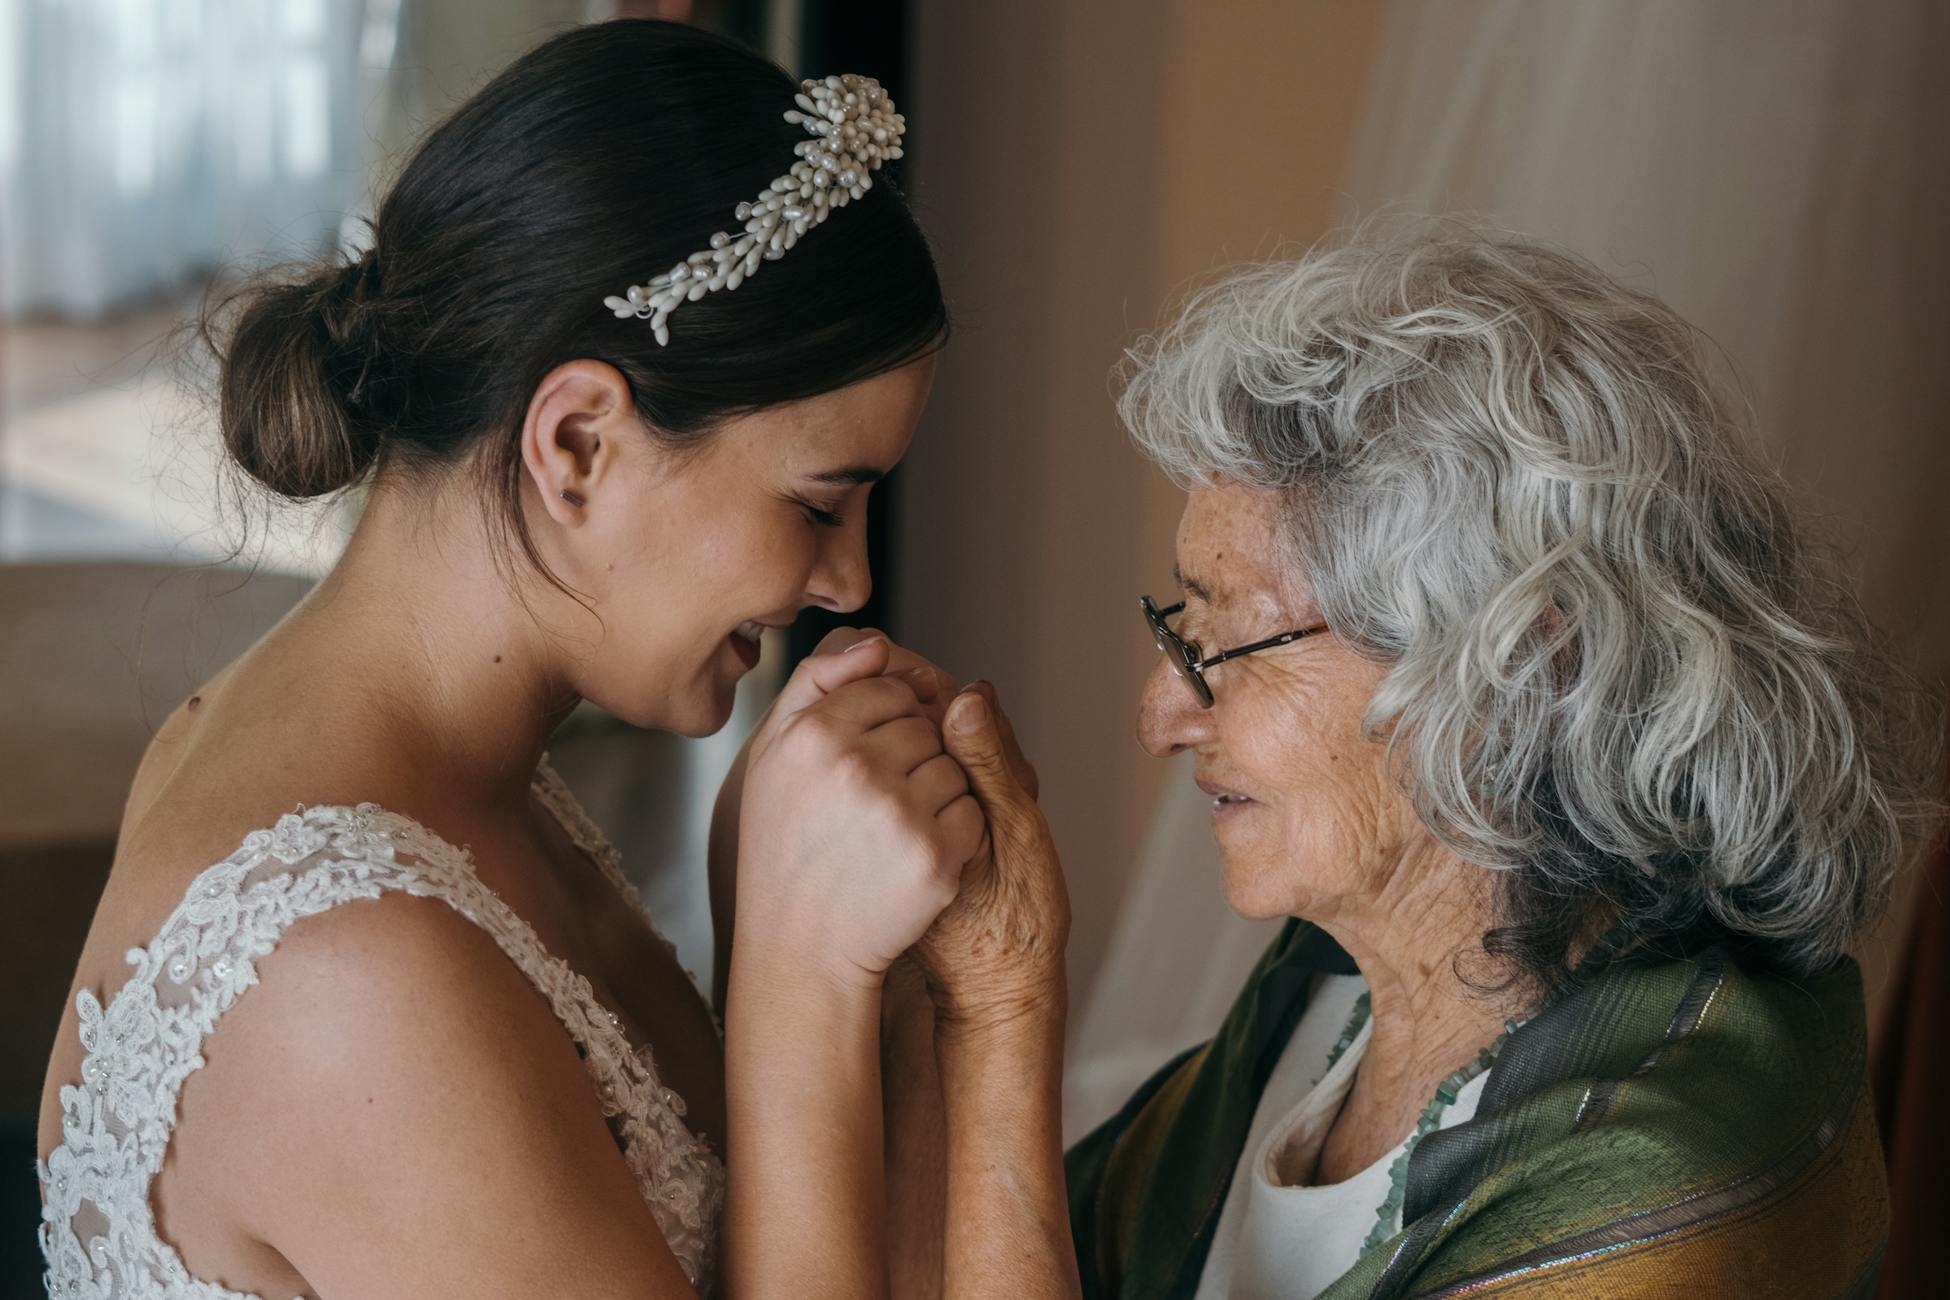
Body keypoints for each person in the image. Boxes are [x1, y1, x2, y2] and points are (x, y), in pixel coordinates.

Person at [33, 20, 1026, 1299]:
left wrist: (817, 930)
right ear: (576, 447)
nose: (850, 582)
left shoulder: (435, 779)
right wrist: (794, 989)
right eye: (819, 502)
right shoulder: (347, 972)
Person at [895, 226, 1940, 1298]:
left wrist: (1003, 1016)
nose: (1163, 715)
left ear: (1514, 670)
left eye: (1232, 641)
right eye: (1179, 628)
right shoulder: (1322, 993)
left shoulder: (1661, 1178)